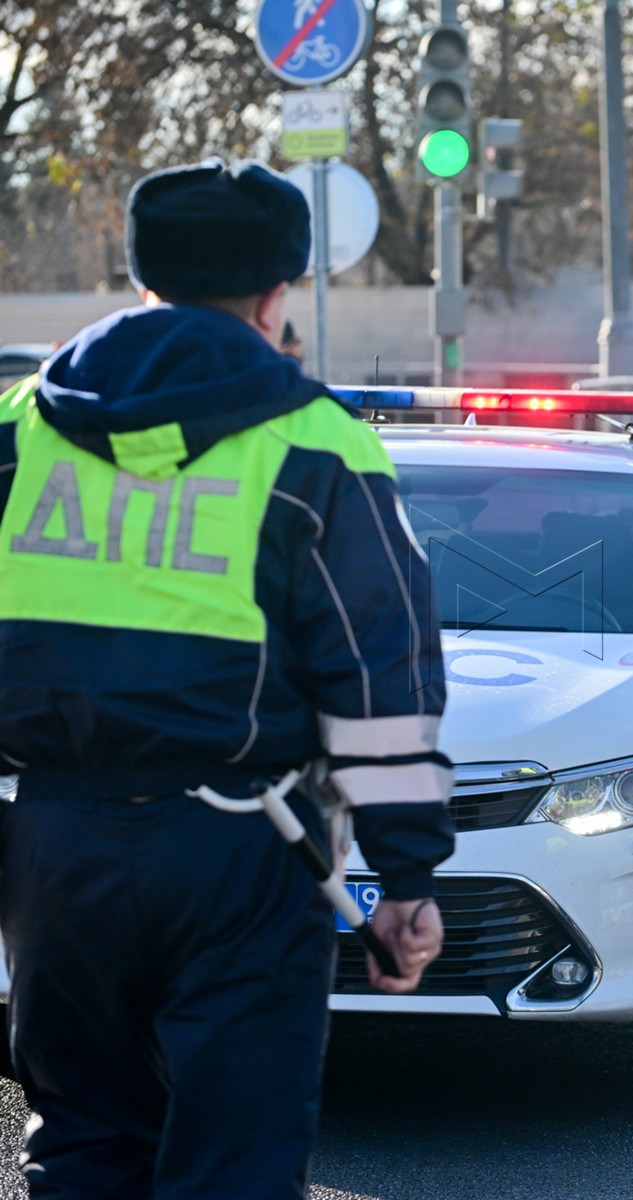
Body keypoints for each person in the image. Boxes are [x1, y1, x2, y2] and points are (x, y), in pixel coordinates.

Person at [0, 158, 454, 1197]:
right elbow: (380, 686)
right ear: (275, 295)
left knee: (82, 1147)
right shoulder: (316, 441)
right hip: (242, 851)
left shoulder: (21, 427)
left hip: (53, 848)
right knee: (237, 1159)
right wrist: (407, 878)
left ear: (142, 278)